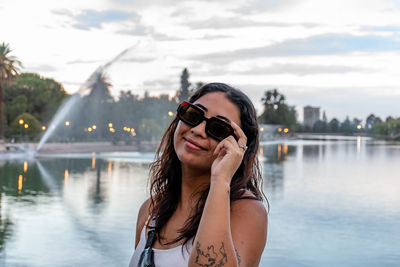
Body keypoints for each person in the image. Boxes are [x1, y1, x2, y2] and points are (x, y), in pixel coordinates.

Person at [129, 83, 268, 267]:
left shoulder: (247, 212)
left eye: (218, 128)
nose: (198, 130)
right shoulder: (151, 210)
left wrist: (220, 181)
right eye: (193, 115)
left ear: (239, 148)